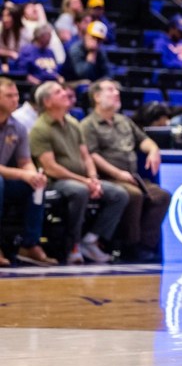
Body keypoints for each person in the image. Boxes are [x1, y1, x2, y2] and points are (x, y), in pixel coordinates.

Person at [29, 81, 130, 264]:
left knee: (119, 194)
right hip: (56, 181)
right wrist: (84, 181)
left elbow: (86, 156)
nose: (66, 93)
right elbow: (51, 168)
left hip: (82, 179)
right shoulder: (39, 129)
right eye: (59, 92)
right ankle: (72, 247)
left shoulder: (74, 123)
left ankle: (91, 240)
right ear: (47, 101)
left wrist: (93, 178)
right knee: (79, 191)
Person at [82, 80, 170, 263]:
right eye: (110, 90)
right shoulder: (89, 124)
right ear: (96, 97)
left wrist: (153, 150)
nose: (116, 93)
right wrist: (117, 174)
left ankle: (145, 245)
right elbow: (92, 155)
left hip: (132, 176)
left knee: (161, 196)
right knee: (133, 194)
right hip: (108, 177)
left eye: (117, 89)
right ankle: (128, 245)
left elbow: (144, 140)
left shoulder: (124, 121)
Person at [0, 77, 54, 267]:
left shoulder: (18, 127)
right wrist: (24, 174)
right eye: (9, 96)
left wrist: (33, 175)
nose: (15, 99)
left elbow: (25, 161)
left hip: (5, 179)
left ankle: (30, 244)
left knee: (35, 186)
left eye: (16, 95)